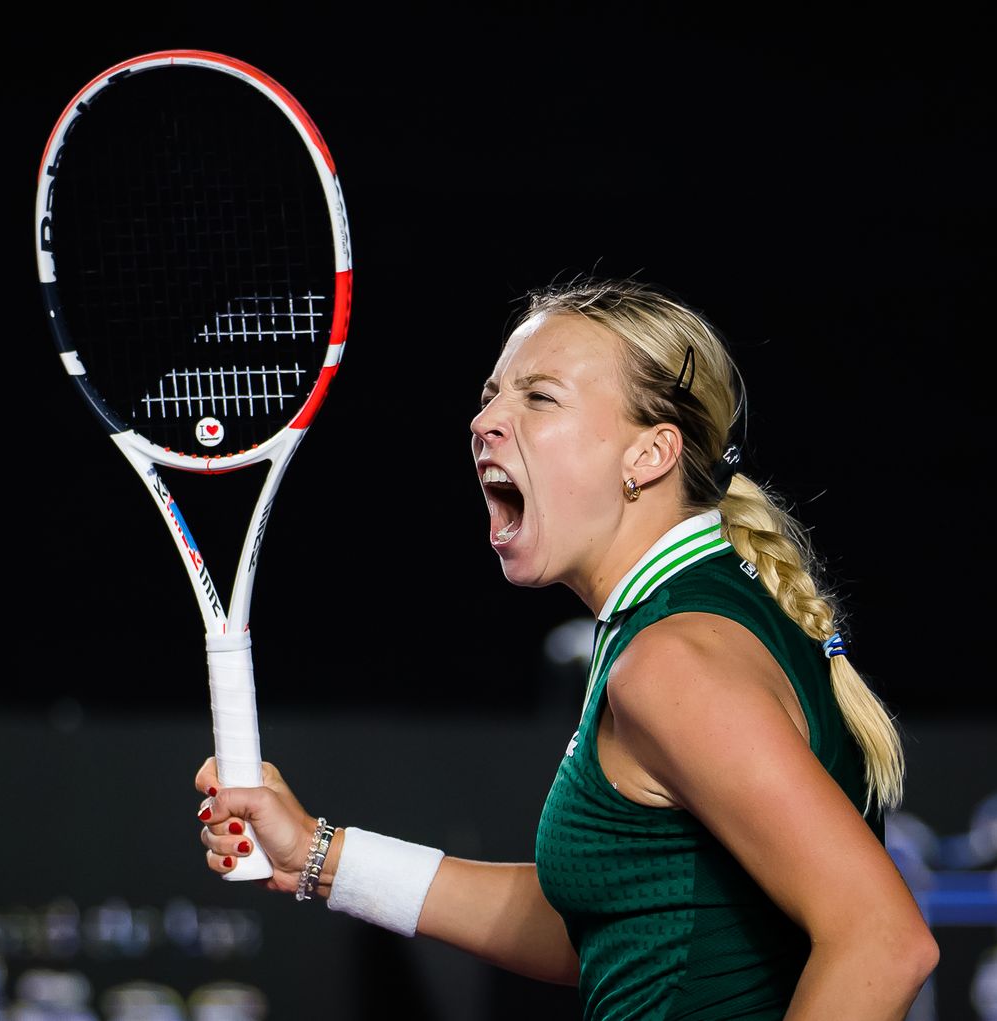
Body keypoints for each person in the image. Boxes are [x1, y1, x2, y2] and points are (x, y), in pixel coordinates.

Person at [194, 279, 938, 1019]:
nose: (486, 419)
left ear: (649, 454)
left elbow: (882, 939)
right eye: (491, 394)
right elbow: (607, 918)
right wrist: (320, 856)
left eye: (538, 397)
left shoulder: (672, 658)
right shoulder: (679, 617)